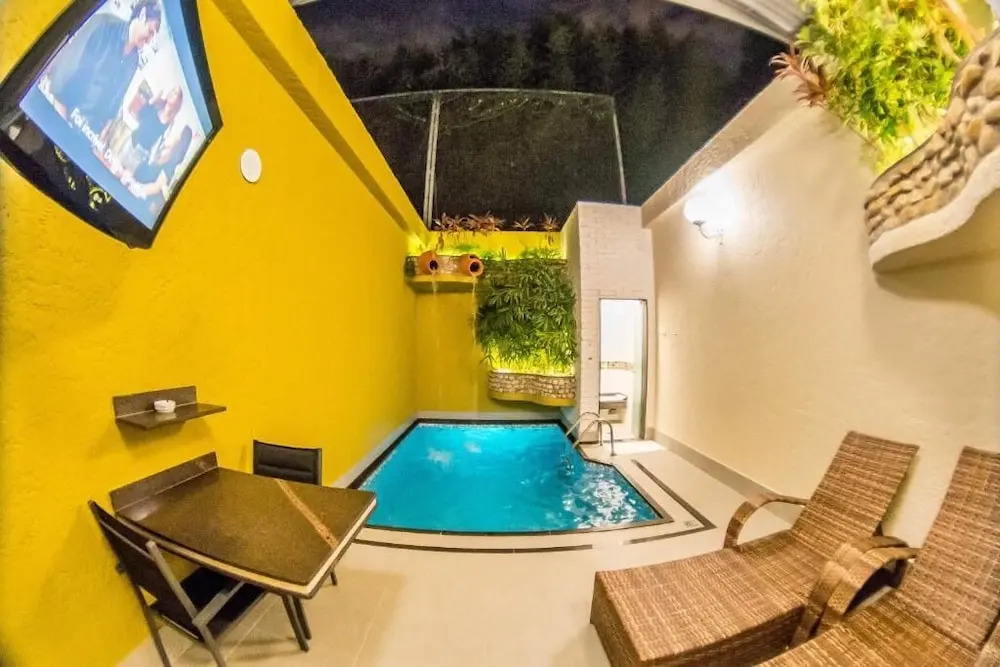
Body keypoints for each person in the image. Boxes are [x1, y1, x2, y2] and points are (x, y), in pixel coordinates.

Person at [44, 0, 163, 137]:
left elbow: (118, 96)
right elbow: (68, 71)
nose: (150, 40)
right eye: (150, 32)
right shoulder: (103, 25)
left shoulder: (133, 60)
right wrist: (61, 121)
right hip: (63, 116)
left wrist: (106, 126)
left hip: (88, 131)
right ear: (142, 15)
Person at [129, 125, 193, 215]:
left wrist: (138, 188)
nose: (162, 149)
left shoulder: (170, 166)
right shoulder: (159, 154)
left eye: (166, 148)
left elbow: (157, 187)